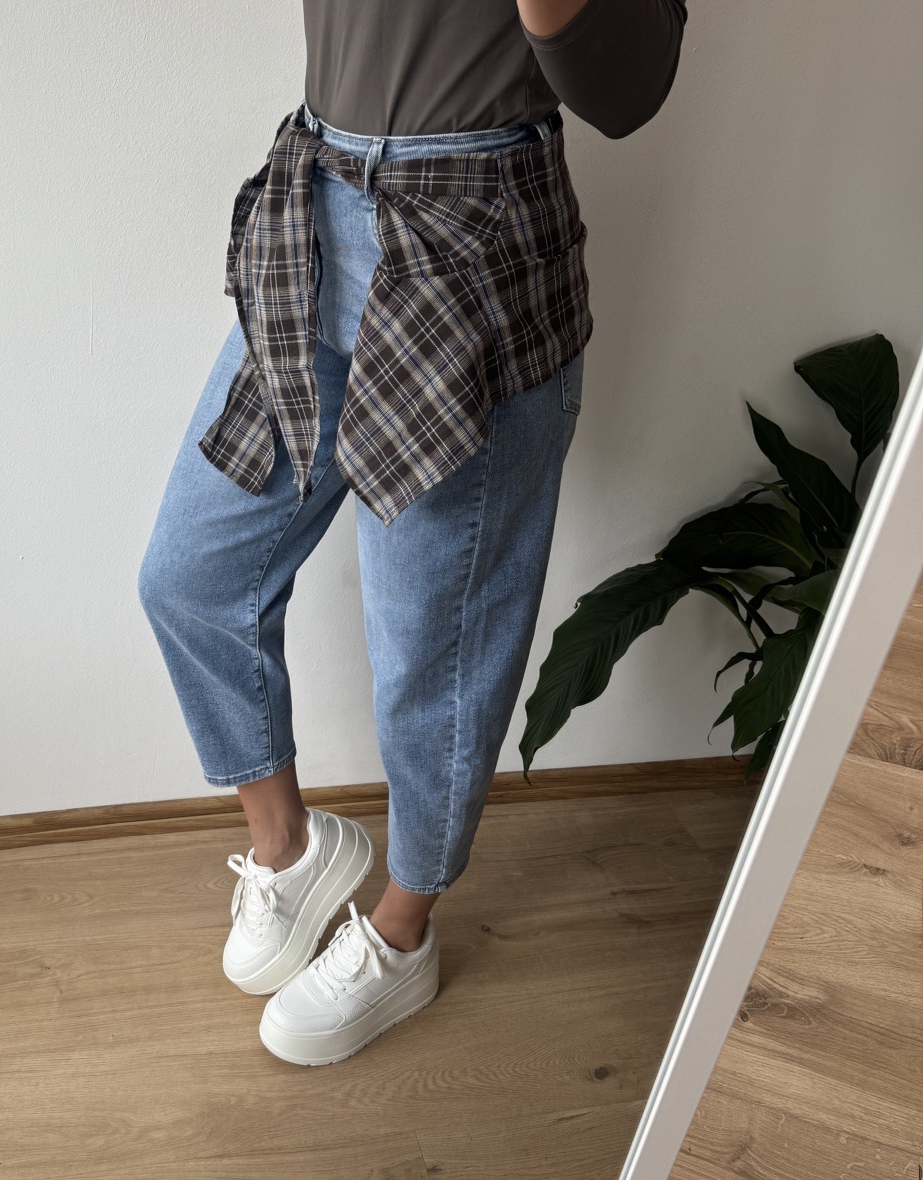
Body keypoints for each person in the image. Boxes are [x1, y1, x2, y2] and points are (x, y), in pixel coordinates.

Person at [138, 0, 688, 1066]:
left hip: (474, 241)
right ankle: (288, 846)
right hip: (317, 207)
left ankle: (402, 930)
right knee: (192, 574)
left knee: (432, 654)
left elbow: (627, 91)